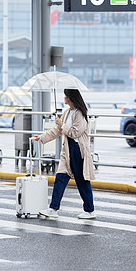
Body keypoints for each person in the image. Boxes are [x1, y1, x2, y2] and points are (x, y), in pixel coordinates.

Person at [34, 88, 96, 219]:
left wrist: (62, 124)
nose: (64, 98)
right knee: (60, 177)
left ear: (70, 98)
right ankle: (53, 208)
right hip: (68, 149)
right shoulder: (67, 112)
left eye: (65, 96)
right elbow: (57, 131)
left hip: (78, 150)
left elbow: (75, 133)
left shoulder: (80, 114)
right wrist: (42, 137)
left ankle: (89, 210)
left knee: (82, 180)